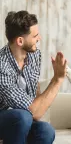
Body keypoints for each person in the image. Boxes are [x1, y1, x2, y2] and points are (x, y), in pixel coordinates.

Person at [0, 10, 67, 144]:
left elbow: (35, 91)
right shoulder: (2, 65)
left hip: (24, 120)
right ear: (20, 41)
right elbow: (34, 112)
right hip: (5, 118)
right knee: (22, 116)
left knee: (46, 131)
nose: (39, 38)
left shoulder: (34, 55)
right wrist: (57, 79)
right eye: (35, 35)